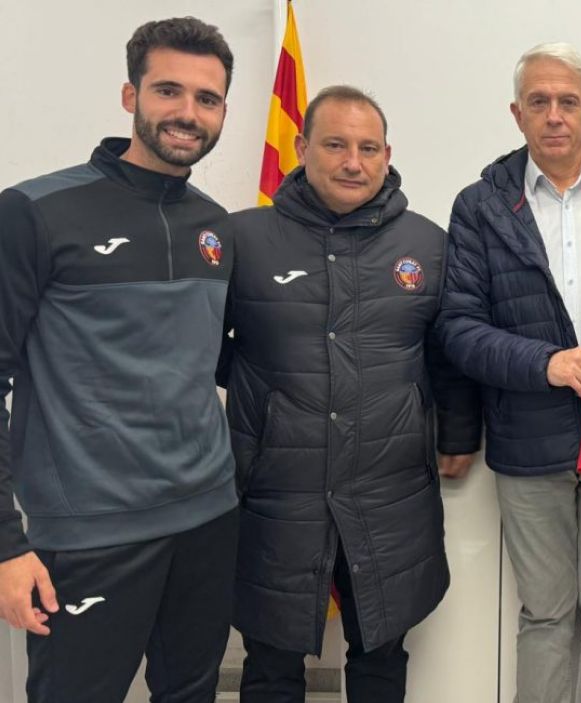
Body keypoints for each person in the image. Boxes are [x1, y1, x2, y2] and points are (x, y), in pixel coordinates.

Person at [218, 85, 481, 702]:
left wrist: (459, 434)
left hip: (391, 490)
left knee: (382, 651)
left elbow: (449, 352)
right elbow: (205, 346)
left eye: (367, 148)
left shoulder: (427, 244)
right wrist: (272, 399)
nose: (352, 162)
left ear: (388, 155)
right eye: (335, 145)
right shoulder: (242, 238)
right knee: (271, 660)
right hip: (278, 489)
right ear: (303, 147)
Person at [0, 17, 237, 702]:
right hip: (88, 534)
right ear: (131, 96)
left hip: (208, 519)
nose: (187, 113)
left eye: (207, 98)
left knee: (191, 693)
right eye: (169, 90)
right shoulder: (35, 212)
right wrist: (7, 546)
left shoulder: (216, 226)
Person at [435, 42, 581, 703]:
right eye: (539, 102)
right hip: (527, 437)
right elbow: (458, 327)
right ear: (517, 113)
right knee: (546, 614)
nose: (554, 115)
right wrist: (544, 363)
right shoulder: (480, 206)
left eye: (567, 101)